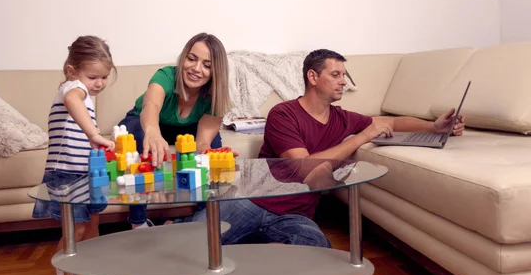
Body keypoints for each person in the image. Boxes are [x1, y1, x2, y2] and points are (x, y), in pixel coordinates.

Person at [188, 49, 466, 247]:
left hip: (295, 217)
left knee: (320, 259)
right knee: (185, 244)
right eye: (335, 74)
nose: (343, 81)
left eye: (343, 75)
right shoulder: (283, 113)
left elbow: (391, 120)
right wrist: (359, 138)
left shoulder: (342, 118)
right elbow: (302, 165)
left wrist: (434, 126)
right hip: (250, 203)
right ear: (312, 76)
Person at [32, 36, 123, 275]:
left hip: (85, 172)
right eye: (93, 76)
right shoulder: (72, 89)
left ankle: (92, 274)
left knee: (92, 225)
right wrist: (94, 134)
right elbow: (73, 100)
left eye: (104, 77)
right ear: (73, 71)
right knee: (77, 231)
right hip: (67, 173)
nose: (100, 83)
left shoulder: (84, 94)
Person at [118, 32, 232, 229]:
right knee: (139, 134)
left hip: (186, 131)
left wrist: (215, 157)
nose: (196, 69)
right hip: (146, 121)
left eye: (207, 65)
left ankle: (201, 217)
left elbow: (203, 143)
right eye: (192, 59)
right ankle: (138, 222)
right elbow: (151, 106)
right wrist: (152, 132)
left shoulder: (214, 94)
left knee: (214, 144)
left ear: (216, 71)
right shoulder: (166, 76)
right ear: (183, 57)